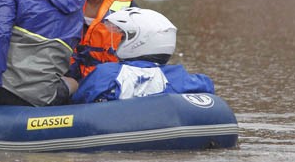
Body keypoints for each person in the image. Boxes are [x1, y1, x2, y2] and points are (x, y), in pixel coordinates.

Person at [70, 8, 214, 104]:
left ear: (139, 40)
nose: (118, 42)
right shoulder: (176, 75)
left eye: (122, 38)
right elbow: (206, 86)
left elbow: (78, 102)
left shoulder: (106, 73)